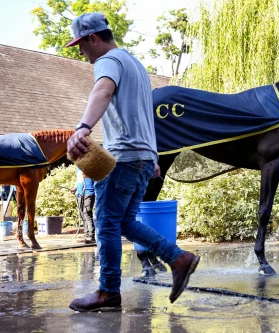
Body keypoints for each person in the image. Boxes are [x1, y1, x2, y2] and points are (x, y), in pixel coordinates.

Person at [65, 12, 200, 312]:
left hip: (123, 157)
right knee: (124, 221)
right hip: (142, 157)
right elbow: (143, 114)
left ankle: (108, 292)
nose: (80, 51)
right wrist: (152, 156)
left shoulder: (107, 61)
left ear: (93, 38)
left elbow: (102, 90)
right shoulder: (135, 65)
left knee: (107, 223)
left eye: (80, 44)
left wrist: (83, 128)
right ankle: (178, 259)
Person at [72, 168, 96, 244]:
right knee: (82, 213)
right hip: (80, 194)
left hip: (89, 193)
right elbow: (78, 180)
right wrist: (75, 188)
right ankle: (86, 235)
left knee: (87, 213)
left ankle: (91, 236)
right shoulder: (78, 169)